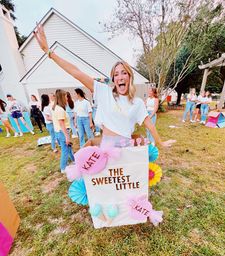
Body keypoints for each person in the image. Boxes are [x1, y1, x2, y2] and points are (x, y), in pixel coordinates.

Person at [34, 24, 175, 148]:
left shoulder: (137, 103)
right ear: (113, 79)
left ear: (129, 77)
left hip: (126, 148)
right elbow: (76, 72)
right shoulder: (103, 91)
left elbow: (149, 124)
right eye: (116, 74)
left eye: (124, 73)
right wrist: (49, 52)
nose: (120, 77)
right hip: (107, 147)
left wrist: (161, 142)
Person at [52, 89, 74, 173]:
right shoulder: (60, 109)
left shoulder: (56, 108)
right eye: (65, 96)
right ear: (61, 97)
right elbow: (62, 124)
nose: (67, 98)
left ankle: (74, 161)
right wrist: (67, 136)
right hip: (62, 132)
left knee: (69, 148)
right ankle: (63, 168)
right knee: (65, 150)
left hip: (59, 132)